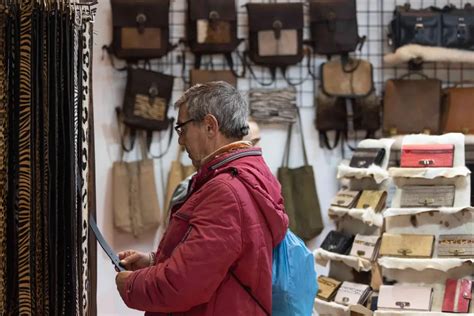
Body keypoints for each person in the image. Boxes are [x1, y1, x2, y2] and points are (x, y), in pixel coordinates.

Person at [115, 81, 289, 315]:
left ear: (209, 126)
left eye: (182, 129)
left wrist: (130, 285)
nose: (181, 140)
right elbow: (217, 262)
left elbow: (183, 284)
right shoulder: (249, 175)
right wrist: (154, 261)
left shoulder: (226, 190)